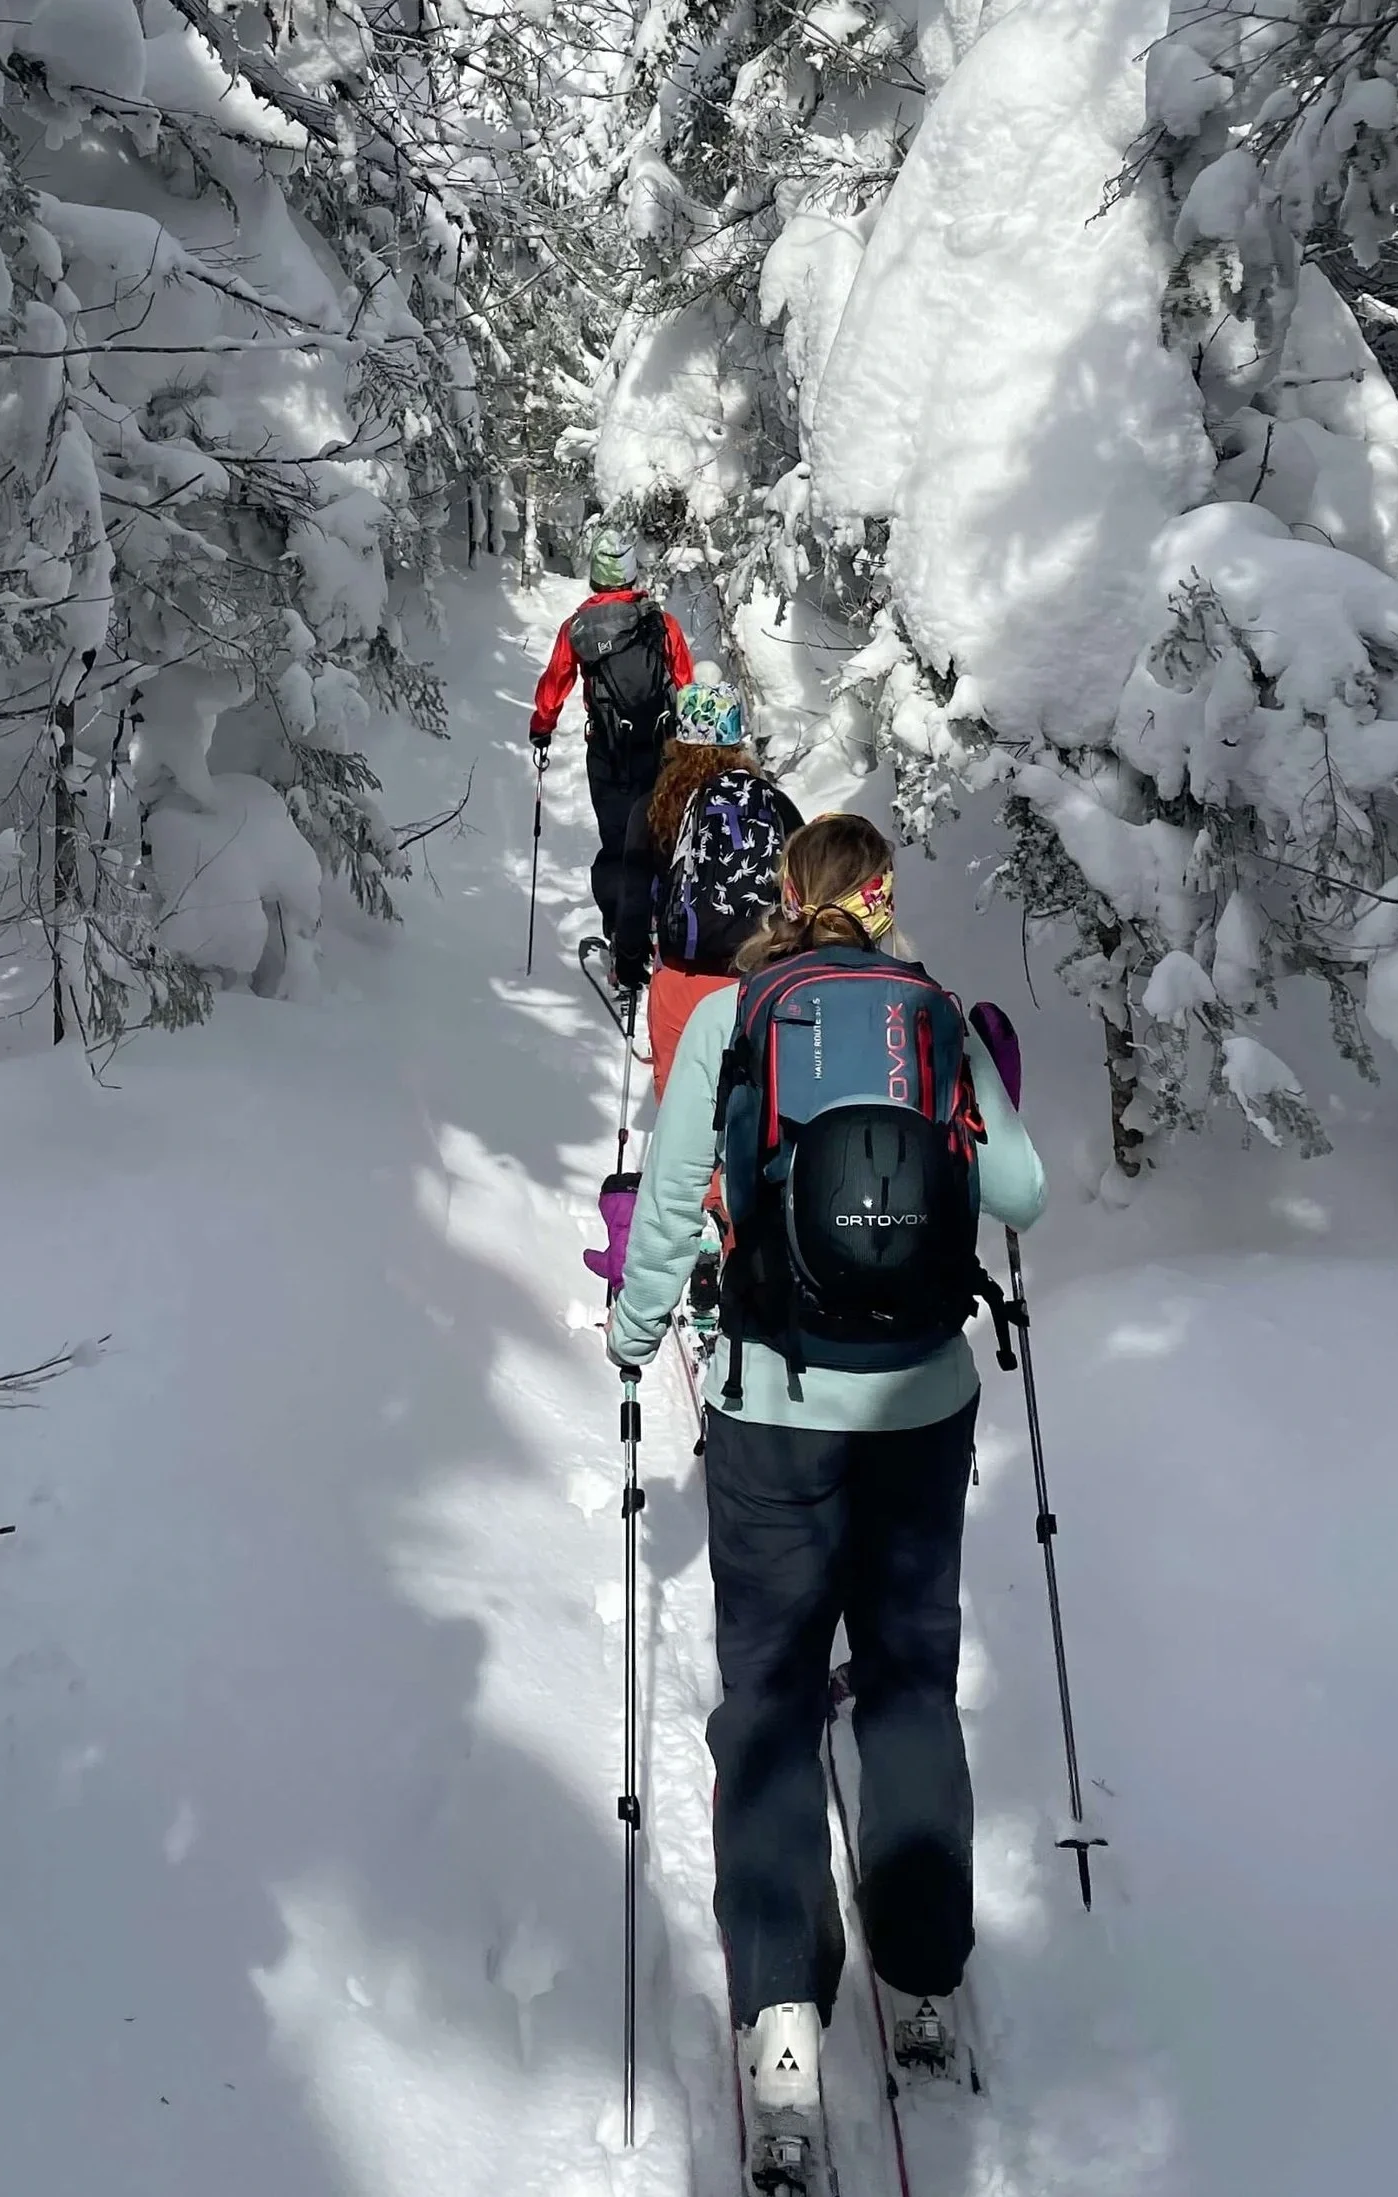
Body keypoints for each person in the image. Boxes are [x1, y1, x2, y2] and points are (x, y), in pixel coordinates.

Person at [605, 813, 1046, 2180]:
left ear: (788, 898)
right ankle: (919, 1982)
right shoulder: (932, 1013)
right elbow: (1021, 1191)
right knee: (910, 1681)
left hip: (771, 1413)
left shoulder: (739, 1014)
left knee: (777, 1695)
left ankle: (783, 2015)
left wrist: (632, 1340)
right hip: (920, 1400)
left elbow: (676, 1199)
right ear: (883, 896)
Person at [610, 676, 801, 1099]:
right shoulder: (774, 804)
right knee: (754, 1103)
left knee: (686, 1106)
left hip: (683, 974)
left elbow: (636, 900)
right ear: (738, 738)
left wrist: (628, 963)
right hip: (758, 980)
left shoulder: (654, 807)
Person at [528, 528, 693, 931]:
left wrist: (541, 727)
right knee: (661, 836)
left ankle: (621, 935)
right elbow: (686, 683)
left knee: (618, 841)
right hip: (661, 749)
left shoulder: (579, 627)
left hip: (607, 751)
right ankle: (663, 925)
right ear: (632, 574)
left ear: (596, 576)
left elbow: (556, 682)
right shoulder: (662, 623)